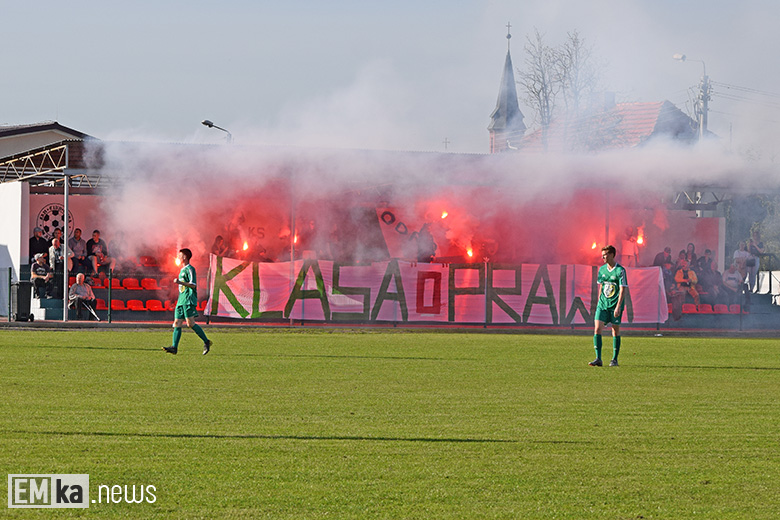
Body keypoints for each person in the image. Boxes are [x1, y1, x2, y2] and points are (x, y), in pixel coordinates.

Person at [163, 248, 213, 355]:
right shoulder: (182, 270)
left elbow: (193, 285)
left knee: (190, 323)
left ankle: (206, 341)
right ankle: (174, 347)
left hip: (188, 299)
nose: (178, 257)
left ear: (185, 257)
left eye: (180, 255)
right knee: (177, 323)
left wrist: (180, 282)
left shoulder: (190, 269)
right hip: (181, 299)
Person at [589, 245, 627, 367]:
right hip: (602, 304)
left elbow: (622, 289)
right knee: (597, 329)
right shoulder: (602, 270)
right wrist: (598, 302)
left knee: (615, 331)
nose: (603, 257)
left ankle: (614, 359)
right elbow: (601, 286)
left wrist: (618, 306)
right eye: (602, 255)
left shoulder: (620, 270)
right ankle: (598, 358)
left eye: (605, 255)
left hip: (614, 305)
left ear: (611, 255)